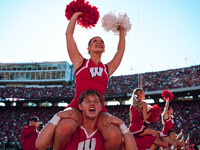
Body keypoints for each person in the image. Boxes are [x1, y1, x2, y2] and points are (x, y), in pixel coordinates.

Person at [52, 11, 126, 150]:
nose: (99, 42)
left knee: (115, 135)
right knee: (64, 127)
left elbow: (120, 51)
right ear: (89, 48)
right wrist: (75, 15)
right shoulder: (80, 62)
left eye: (102, 41)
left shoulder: (108, 68)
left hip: (99, 108)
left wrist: (121, 29)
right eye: (95, 41)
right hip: (76, 106)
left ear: (104, 48)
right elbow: (69, 36)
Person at [36, 90, 138, 150]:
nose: (92, 104)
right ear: (80, 107)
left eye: (96, 101)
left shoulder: (105, 131)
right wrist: (57, 116)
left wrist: (122, 124)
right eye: (88, 101)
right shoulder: (71, 129)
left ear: (100, 107)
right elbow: (40, 145)